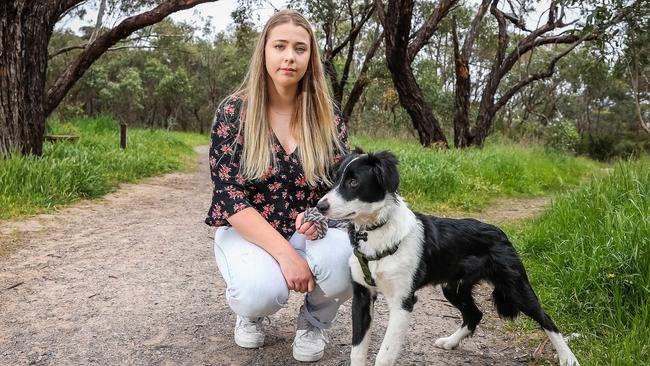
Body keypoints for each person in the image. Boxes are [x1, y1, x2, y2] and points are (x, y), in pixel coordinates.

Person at [205, 9, 352, 363]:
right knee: (259, 292)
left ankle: (313, 323)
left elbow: (339, 189)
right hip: (249, 230)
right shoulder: (234, 112)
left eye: (300, 49)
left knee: (348, 262)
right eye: (280, 46)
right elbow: (229, 197)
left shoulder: (327, 116)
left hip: (308, 229)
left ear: (310, 58)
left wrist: (318, 222)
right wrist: (287, 256)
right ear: (265, 52)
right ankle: (250, 314)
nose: (290, 56)